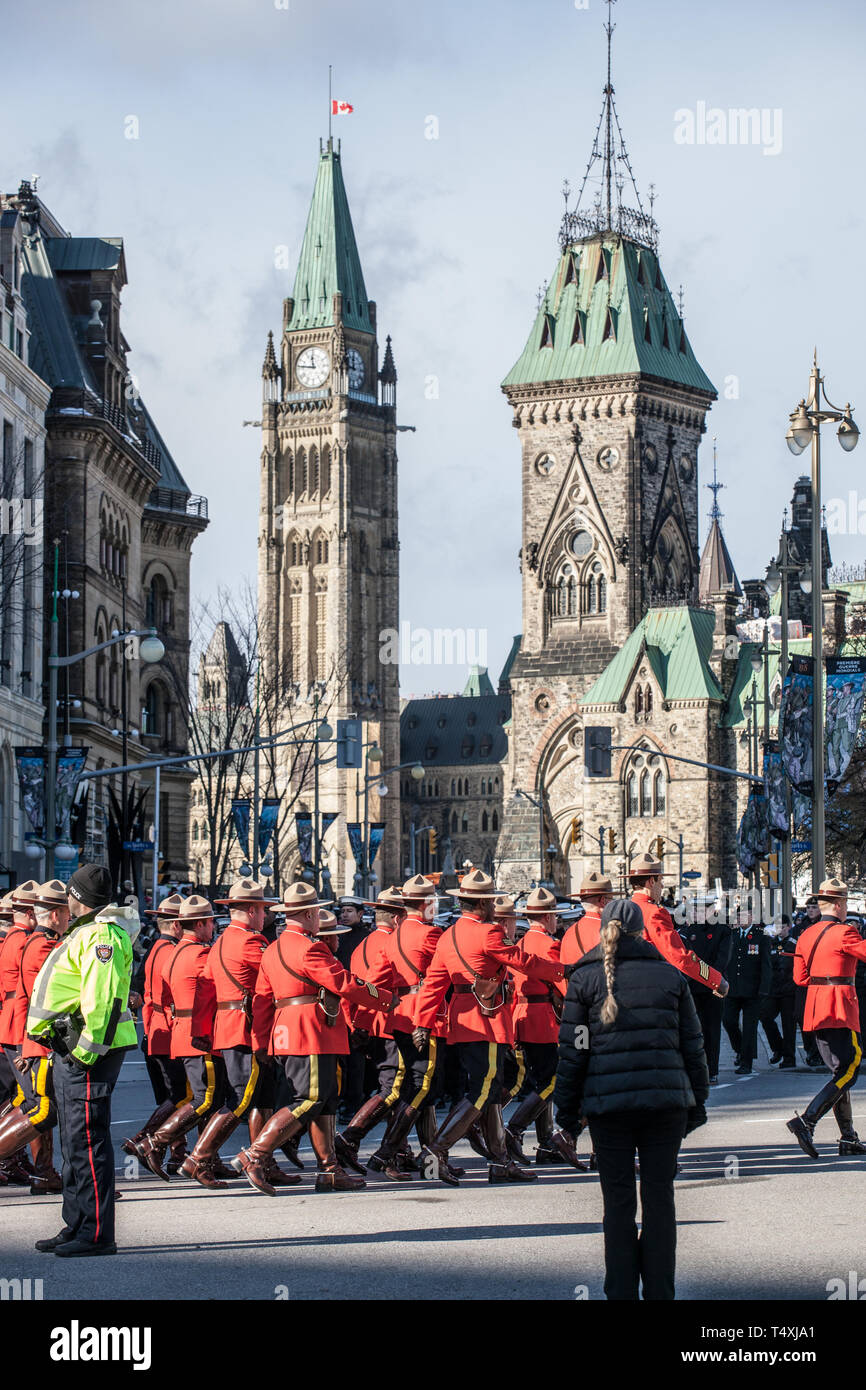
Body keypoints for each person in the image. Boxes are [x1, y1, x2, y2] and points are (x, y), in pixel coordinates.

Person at [554, 899, 709, 1301]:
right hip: (665, 1103)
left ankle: (621, 1291)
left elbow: (575, 1050)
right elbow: (692, 1044)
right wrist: (697, 1101)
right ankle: (660, 1291)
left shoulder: (585, 980)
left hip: (609, 1107)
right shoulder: (668, 976)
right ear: (643, 932)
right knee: (660, 1200)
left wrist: (567, 1114)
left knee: (618, 1203)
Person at [235, 881, 395, 1196]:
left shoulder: (273, 948)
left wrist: (263, 1042)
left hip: (287, 1031)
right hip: (311, 1032)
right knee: (309, 1099)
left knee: (324, 1101)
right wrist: (386, 999)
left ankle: (329, 1169)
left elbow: (262, 1001)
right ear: (309, 915)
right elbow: (343, 984)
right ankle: (255, 1154)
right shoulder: (311, 948)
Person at [413, 868, 565, 1186]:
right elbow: (523, 961)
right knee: (482, 1090)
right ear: (482, 905)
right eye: (493, 902)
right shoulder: (489, 933)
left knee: (492, 1091)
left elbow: (433, 985)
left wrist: (423, 1023)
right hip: (486, 1017)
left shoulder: (447, 936)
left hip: (462, 1019)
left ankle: (499, 1161)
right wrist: (560, 970)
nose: (496, 908)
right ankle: (436, 1150)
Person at [25, 863, 138, 1258]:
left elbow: (103, 1000)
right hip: (71, 1048)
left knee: (87, 1143)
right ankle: (76, 1223)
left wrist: (85, 1054)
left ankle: (95, 1234)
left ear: (77, 898)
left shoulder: (102, 936)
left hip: (87, 1052)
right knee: (73, 1142)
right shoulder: (86, 932)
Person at [136, 895, 237, 1189]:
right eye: (211, 924)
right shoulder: (200, 955)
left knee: (207, 1098)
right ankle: (155, 1143)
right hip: (199, 1033)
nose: (212, 930)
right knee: (207, 1099)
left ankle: (203, 1159)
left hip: (180, 1029)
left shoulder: (175, 952)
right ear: (203, 924)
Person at [187, 878, 280, 1183]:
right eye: (263, 910)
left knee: (261, 1098)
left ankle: (263, 1162)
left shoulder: (220, 942)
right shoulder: (253, 942)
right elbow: (274, 979)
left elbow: (205, 989)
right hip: (246, 1028)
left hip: (227, 1026)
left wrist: (201, 1030)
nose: (265, 916)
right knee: (242, 1098)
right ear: (252, 910)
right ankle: (198, 1157)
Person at [787, 878, 866, 1158]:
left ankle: (848, 1137)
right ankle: (808, 1120)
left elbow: (800, 978)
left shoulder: (806, 934)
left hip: (816, 1007)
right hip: (840, 1006)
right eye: (845, 903)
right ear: (839, 904)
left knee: (839, 1072)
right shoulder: (846, 932)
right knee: (850, 1068)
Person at [336, 886, 410, 1181]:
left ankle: (398, 1151)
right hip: (388, 1022)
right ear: (395, 917)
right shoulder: (389, 943)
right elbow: (374, 987)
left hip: (371, 1023)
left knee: (397, 1090)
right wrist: (364, 1023)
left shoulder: (362, 944)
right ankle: (351, 1140)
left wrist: (356, 1024)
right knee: (393, 1089)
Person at [505, 887, 583, 1168]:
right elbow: (563, 983)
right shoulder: (549, 945)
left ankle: (547, 1143)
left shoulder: (521, 943)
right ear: (548, 917)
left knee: (541, 1081)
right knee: (554, 1081)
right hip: (544, 1018)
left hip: (523, 1014)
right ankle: (514, 1129)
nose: (557, 922)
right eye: (555, 916)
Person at [0, 880, 67, 1194]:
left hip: (20, 1022)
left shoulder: (20, 939)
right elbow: (44, 994)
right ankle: (34, 1168)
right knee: (39, 1106)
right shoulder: (30, 942)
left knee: (31, 1102)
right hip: (24, 1025)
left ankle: (42, 1171)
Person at [122, 893, 188, 1174]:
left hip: (155, 1031)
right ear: (176, 925)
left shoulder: (154, 950)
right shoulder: (171, 952)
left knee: (172, 1097)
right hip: (168, 1032)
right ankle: (144, 1140)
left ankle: (175, 1153)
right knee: (181, 1097)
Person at [0, 880, 40, 1184]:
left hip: (12, 1019)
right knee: (30, 1100)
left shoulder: (12, 939)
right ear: (28, 911)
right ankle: (11, 1159)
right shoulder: (23, 941)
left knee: (20, 1096)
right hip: (19, 1023)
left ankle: (14, 1159)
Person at [680, 902, 732, 1082]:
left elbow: (722, 960)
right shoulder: (687, 932)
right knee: (693, 1030)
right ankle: (695, 1068)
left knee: (712, 1030)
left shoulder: (722, 931)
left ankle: (712, 1070)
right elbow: (686, 960)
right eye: (696, 910)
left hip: (713, 987)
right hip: (692, 987)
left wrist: (711, 979)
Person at [722, 905, 771, 1075]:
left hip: (753, 990)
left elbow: (766, 966)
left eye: (746, 915)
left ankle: (746, 1062)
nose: (741, 918)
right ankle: (740, 1050)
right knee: (728, 1022)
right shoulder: (732, 936)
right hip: (732, 989)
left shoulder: (761, 937)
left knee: (750, 1028)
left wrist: (764, 989)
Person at [760, 915, 797, 1069]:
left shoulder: (794, 944)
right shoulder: (769, 943)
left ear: (789, 927)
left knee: (789, 1026)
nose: (779, 930)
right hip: (773, 990)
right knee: (764, 1016)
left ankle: (789, 1058)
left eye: (782, 926)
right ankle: (778, 1048)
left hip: (789, 990)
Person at [562, 871, 612, 974]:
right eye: (611, 899)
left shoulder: (569, 932)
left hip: (575, 987)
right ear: (603, 901)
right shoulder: (609, 930)